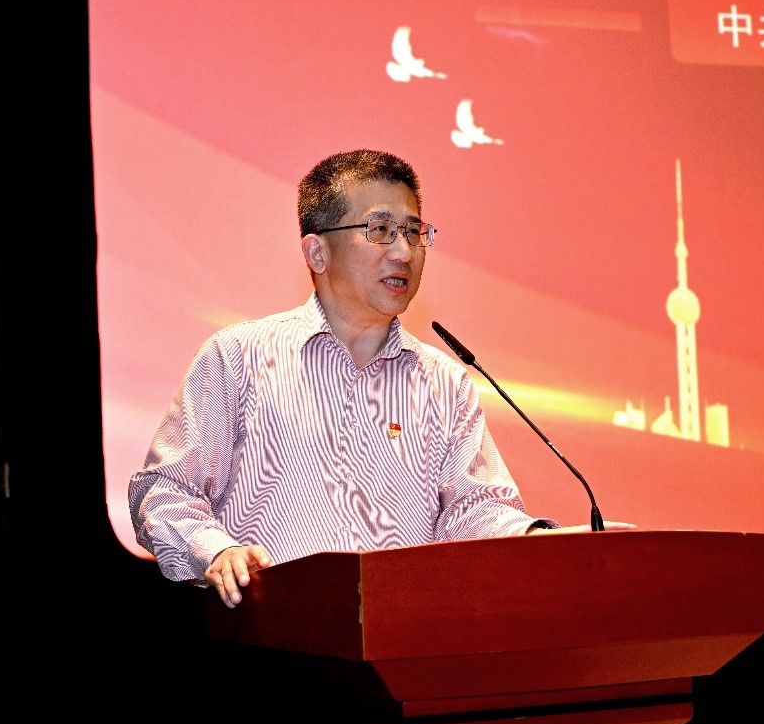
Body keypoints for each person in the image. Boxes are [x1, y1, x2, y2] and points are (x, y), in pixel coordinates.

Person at [130, 149, 630, 609]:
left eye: (414, 232)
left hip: (406, 648)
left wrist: (541, 543)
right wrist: (217, 551)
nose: (405, 253)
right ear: (317, 253)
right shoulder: (237, 356)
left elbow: (473, 513)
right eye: (381, 230)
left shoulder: (445, 383)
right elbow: (163, 491)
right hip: (273, 648)